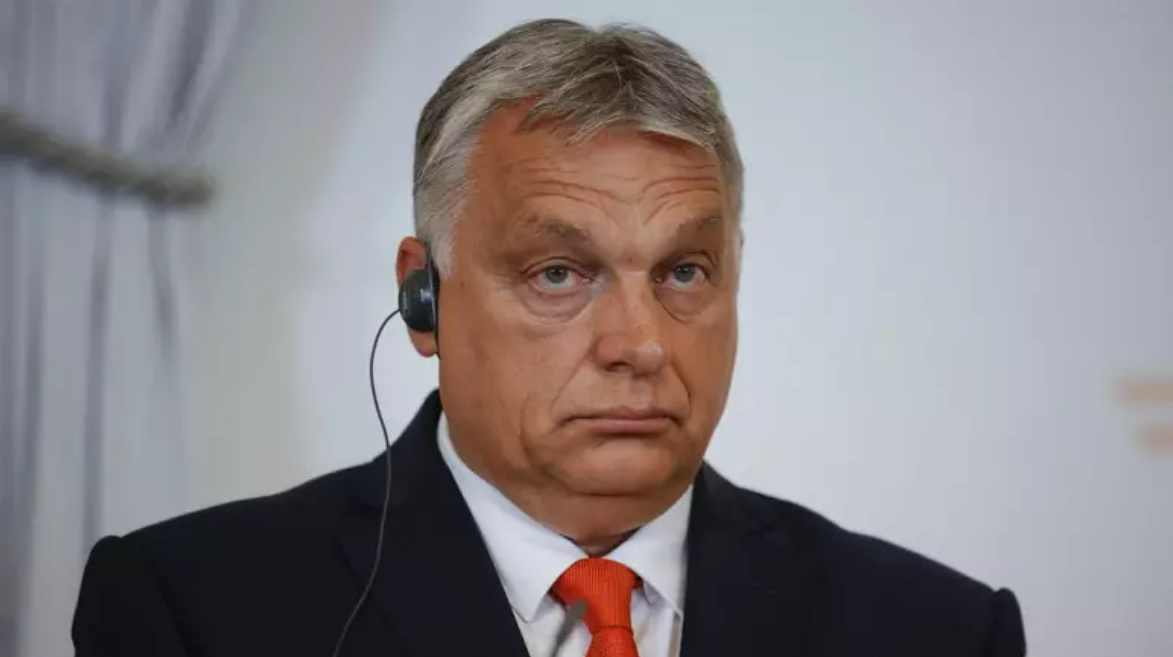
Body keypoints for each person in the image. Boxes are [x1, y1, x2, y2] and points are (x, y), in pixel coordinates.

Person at [72, 18, 1026, 657]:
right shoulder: (194, 610)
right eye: (559, 273)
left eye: (683, 272)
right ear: (423, 297)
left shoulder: (935, 631)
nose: (639, 344)